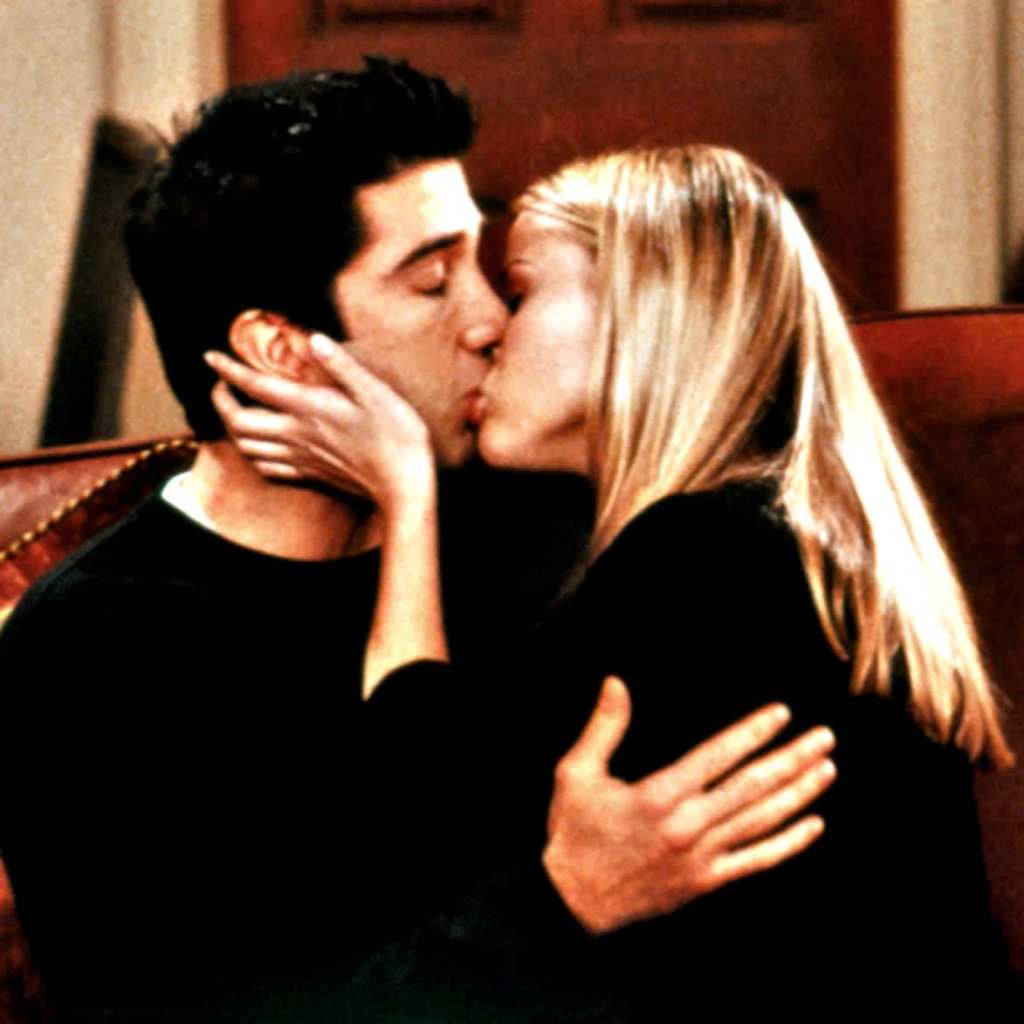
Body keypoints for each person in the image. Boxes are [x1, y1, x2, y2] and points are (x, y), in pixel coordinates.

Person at [0, 67, 835, 1022]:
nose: (490, 322)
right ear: (284, 350)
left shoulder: (552, 537)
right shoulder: (95, 642)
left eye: (489, 272)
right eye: (433, 281)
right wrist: (560, 906)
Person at [209, 144, 1020, 1015]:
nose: (490, 330)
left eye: (520, 290)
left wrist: (406, 496)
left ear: (643, 314)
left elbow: (414, 828)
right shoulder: (779, 534)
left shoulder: (709, 558)